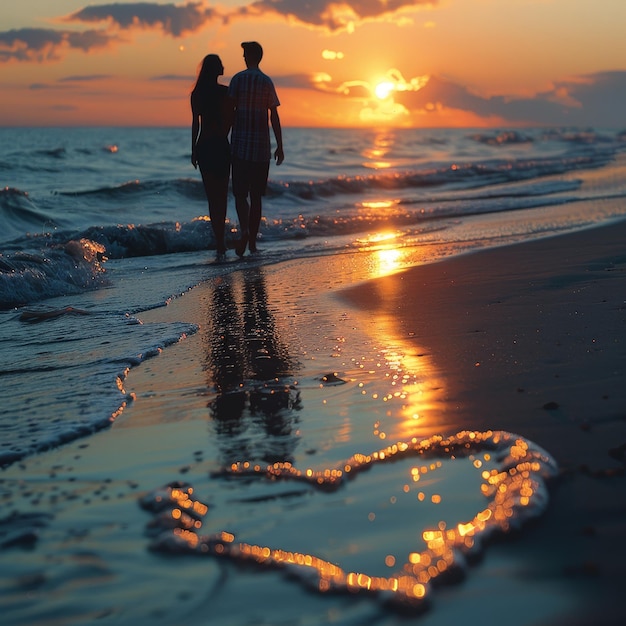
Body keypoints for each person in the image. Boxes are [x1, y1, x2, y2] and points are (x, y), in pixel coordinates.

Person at [228, 41, 284, 256]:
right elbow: (274, 116)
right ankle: (252, 243)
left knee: (241, 195)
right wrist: (279, 145)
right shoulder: (266, 82)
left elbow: (229, 111)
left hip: (240, 146)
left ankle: (244, 230)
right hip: (261, 148)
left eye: (244, 54)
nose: (242, 57)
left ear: (249, 56)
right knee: (257, 196)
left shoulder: (238, 79)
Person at [191, 54, 233, 259]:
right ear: (215, 69)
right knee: (221, 196)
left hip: (204, 146)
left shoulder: (197, 93)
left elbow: (195, 124)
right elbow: (231, 120)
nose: (224, 66)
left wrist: (193, 150)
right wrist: (224, 134)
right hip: (220, 145)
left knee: (212, 197)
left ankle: (219, 241)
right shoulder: (226, 93)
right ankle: (221, 241)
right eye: (221, 64)